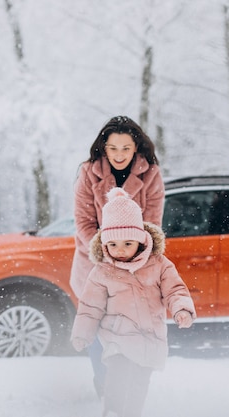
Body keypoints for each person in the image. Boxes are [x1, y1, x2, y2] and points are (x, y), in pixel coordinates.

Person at [70, 188, 196, 417]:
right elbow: (90, 308)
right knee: (117, 378)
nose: (120, 251)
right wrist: (82, 334)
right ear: (104, 244)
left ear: (141, 240)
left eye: (128, 244)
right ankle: (112, 412)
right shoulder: (102, 272)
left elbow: (175, 290)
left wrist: (182, 309)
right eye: (113, 245)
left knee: (139, 383)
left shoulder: (159, 264)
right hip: (117, 339)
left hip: (149, 338)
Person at [70, 115, 165, 397]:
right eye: (113, 148)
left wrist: (131, 256)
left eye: (126, 148)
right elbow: (83, 222)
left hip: (137, 268)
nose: (120, 155)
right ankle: (105, 386)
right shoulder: (88, 173)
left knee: (131, 331)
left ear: (136, 148)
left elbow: (152, 225)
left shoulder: (151, 175)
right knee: (97, 329)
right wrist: (108, 254)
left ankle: (129, 389)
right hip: (94, 266)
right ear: (103, 148)